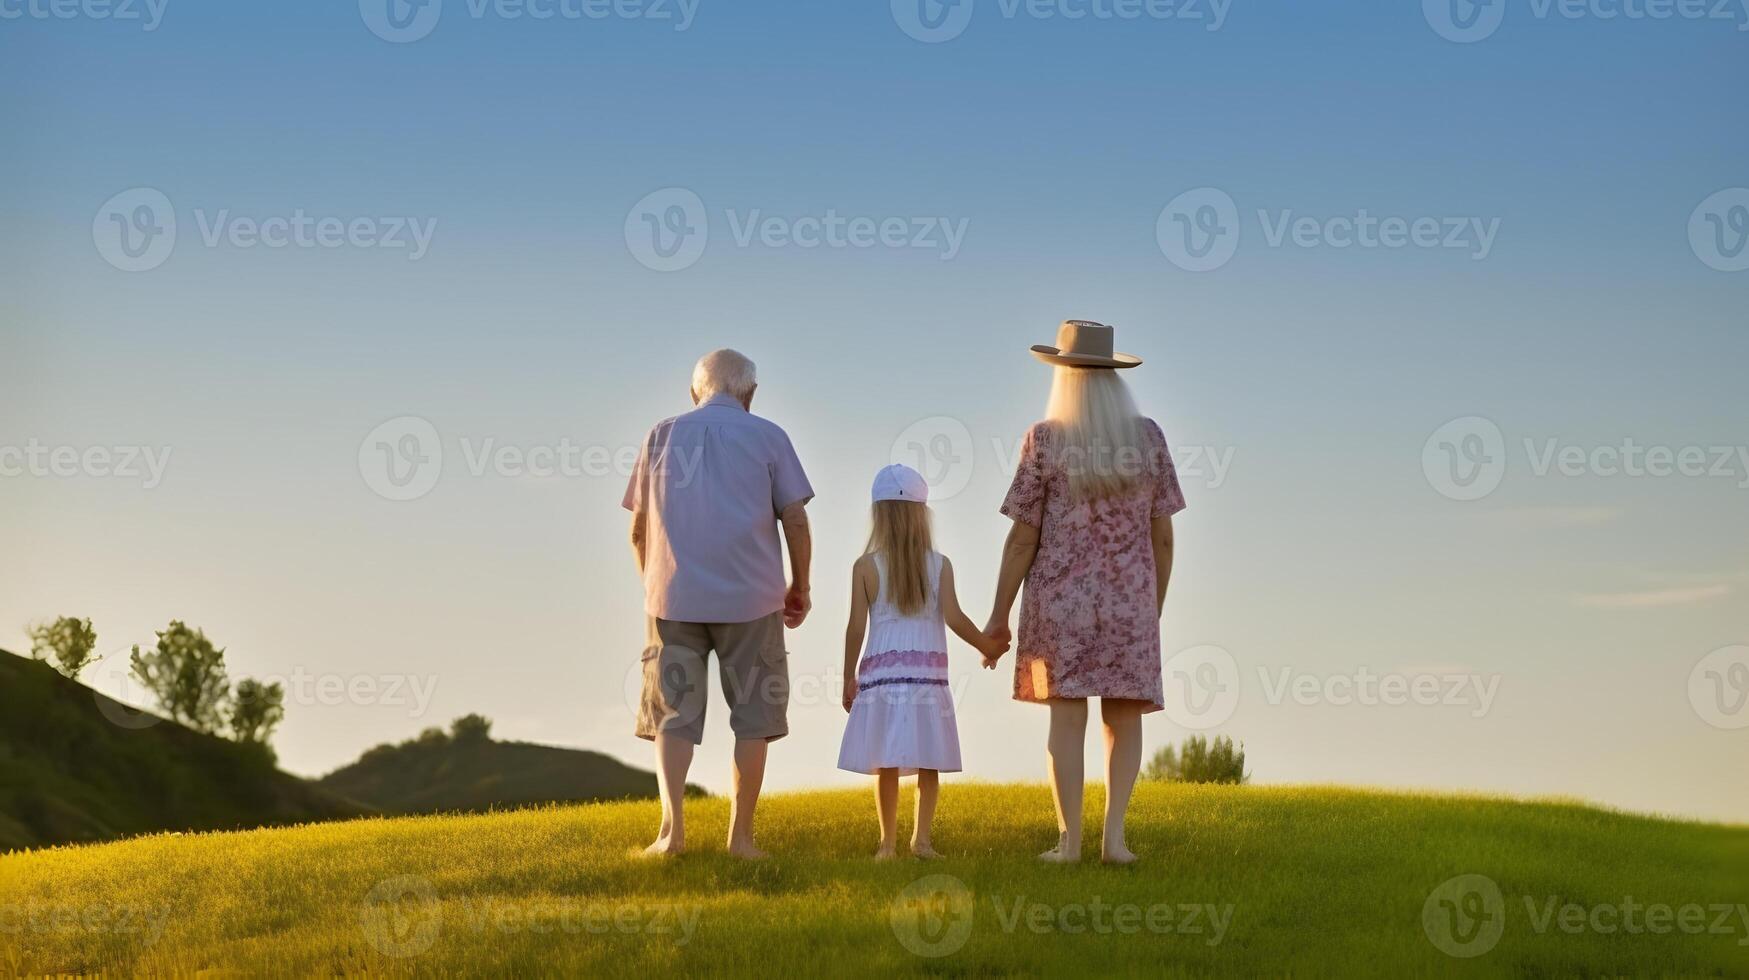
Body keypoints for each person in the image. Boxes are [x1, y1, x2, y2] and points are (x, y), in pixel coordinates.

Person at [982, 320, 1186, 864]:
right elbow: (1162, 537)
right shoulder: (1148, 438)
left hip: (1058, 608)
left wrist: (997, 617)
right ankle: (1114, 841)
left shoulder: (1044, 439)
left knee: (1066, 722)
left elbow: (1022, 538)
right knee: (1124, 718)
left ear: (1063, 377)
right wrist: (1152, 608)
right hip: (1128, 607)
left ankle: (1068, 842)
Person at [624, 349, 814, 859]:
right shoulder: (769, 436)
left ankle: (671, 834)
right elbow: (794, 519)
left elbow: (639, 529)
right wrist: (802, 586)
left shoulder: (660, 435)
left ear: (695, 391)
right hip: (753, 599)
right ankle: (742, 839)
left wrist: (652, 584)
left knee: (673, 715)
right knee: (753, 716)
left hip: (672, 597)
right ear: (749, 394)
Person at [838, 464, 1009, 859]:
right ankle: (923, 841)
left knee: (886, 761)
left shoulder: (865, 567)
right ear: (922, 514)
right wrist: (986, 645)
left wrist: (848, 677)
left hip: (881, 678)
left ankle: (887, 845)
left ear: (878, 515)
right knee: (928, 758)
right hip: (928, 679)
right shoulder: (939, 564)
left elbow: (854, 628)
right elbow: (955, 618)